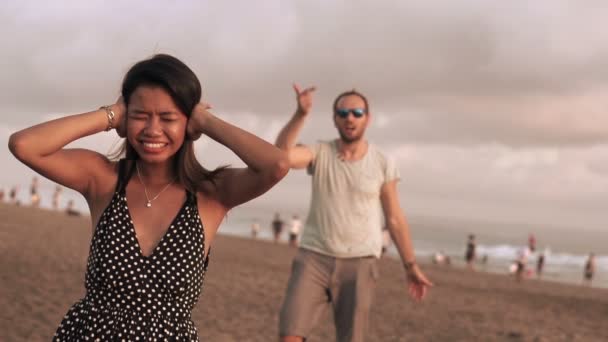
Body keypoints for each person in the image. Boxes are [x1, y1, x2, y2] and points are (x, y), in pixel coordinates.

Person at [8, 54, 289, 341]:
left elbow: (276, 165)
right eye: (141, 115)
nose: (153, 130)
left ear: (187, 123)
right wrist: (110, 115)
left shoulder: (211, 194)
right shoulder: (102, 179)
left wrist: (205, 120)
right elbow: (24, 145)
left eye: (168, 118)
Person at [275, 85, 432, 342]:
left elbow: (394, 217)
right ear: (335, 118)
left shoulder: (382, 162)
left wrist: (411, 265)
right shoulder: (319, 152)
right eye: (343, 112)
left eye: (357, 112)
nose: (350, 117)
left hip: (360, 262)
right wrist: (300, 115)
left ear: (367, 119)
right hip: (314, 257)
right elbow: (280, 157)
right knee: (289, 335)